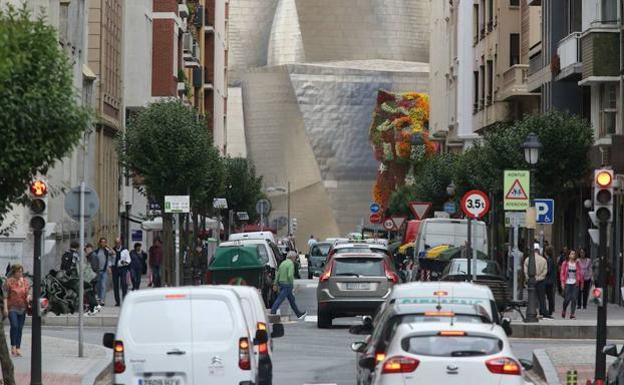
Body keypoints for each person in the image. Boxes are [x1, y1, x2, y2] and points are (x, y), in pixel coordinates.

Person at [3, 264, 31, 357]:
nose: (20, 273)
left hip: (22, 308)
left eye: (21, 271)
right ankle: (13, 346)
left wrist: (28, 296)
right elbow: (5, 296)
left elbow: (28, 292)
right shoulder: (9, 282)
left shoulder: (25, 282)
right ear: (14, 272)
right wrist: (5, 308)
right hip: (12, 308)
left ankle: (18, 348)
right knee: (14, 326)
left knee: (20, 328)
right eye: (18, 272)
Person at [270, 251, 307, 319]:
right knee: (280, 299)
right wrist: (291, 283)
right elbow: (290, 275)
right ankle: (273, 311)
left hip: (281, 283)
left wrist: (275, 283)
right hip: (287, 284)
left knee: (291, 300)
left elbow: (278, 274)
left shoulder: (283, 263)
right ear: (292, 257)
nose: (295, 259)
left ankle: (298, 314)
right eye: (295, 258)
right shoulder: (290, 264)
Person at [523, 243, 551, 319]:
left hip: (531, 281)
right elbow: (545, 272)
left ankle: (532, 312)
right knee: (542, 298)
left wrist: (530, 278)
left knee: (531, 298)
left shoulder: (527, 259)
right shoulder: (543, 260)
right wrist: (538, 278)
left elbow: (525, 272)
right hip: (541, 281)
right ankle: (544, 312)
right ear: (538, 250)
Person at [560, 249, 584, 319]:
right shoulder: (565, 263)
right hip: (567, 283)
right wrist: (562, 282)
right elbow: (562, 273)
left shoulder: (577, 263)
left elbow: (580, 274)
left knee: (574, 299)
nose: (573, 255)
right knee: (567, 299)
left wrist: (581, 283)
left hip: (575, 283)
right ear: (569, 255)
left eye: (574, 254)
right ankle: (564, 310)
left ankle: (572, 314)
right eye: (571, 254)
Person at [91, 237, 112, 306]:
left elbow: (114, 253)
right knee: (98, 287)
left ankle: (102, 301)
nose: (103, 243)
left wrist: (108, 246)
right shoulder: (96, 251)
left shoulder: (106, 251)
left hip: (104, 271)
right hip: (97, 272)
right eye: (102, 242)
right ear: (99, 243)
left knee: (103, 286)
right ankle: (99, 299)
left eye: (104, 242)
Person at [82, 244, 101, 315]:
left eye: (86, 249)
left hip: (92, 278)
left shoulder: (93, 256)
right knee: (91, 293)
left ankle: (95, 306)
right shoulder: (91, 256)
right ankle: (93, 307)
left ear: (90, 248)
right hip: (92, 277)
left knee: (89, 293)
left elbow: (94, 267)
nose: (85, 251)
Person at [112, 238, 131, 306]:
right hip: (115, 269)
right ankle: (117, 301)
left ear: (121, 243)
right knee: (115, 285)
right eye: (116, 243)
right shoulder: (112, 250)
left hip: (123, 269)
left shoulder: (125, 250)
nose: (117, 244)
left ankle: (124, 300)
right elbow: (110, 260)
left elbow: (129, 260)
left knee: (124, 284)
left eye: (119, 242)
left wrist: (124, 262)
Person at [544, 246, 557, 316]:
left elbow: (548, 270)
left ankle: (550, 311)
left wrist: (543, 272)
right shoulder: (552, 259)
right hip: (551, 280)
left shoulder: (549, 260)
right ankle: (550, 310)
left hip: (548, 281)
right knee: (550, 296)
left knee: (549, 296)